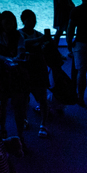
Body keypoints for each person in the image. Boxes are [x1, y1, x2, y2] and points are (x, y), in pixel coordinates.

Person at [0, 11, 28, 139]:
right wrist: (7, 58)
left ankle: (20, 135)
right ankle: (2, 130)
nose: (8, 26)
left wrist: (18, 57)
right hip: (0, 72)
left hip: (15, 73)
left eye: (10, 24)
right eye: (5, 24)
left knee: (18, 105)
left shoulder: (19, 35)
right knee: (1, 103)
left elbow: (21, 51)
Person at [17, 10, 50, 138]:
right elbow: (22, 43)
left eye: (34, 19)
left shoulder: (39, 34)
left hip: (39, 69)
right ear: (23, 20)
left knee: (42, 98)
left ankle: (43, 124)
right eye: (29, 19)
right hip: (24, 70)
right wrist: (40, 40)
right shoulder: (19, 34)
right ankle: (24, 119)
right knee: (24, 97)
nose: (32, 22)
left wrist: (47, 43)